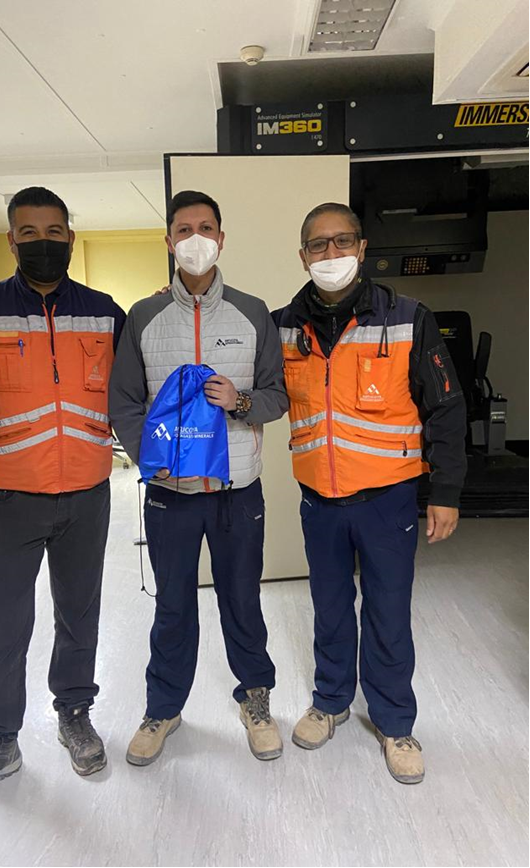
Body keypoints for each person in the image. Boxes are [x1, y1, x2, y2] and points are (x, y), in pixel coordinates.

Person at [0, 186, 126, 811]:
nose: (44, 242)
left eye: (54, 231)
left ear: (70, 237)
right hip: (11, 498)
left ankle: (75, 714)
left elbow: (131, 396)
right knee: (4, 624)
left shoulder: (104, 313)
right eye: (30, 233)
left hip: (89, 495)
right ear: (12, 241)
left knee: (80, 614)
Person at [273, 202, 467, 784]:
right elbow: (242, 370)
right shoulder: (282, 325)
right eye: (318, 244)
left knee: (388, 612)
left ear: (361, 249)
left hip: (388, 500)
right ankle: (331, 701)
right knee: (330, 608)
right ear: (303, 255)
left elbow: (446, 407)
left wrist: (446, 490)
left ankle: (394, 721)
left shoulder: (408, 318)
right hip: (319, 500)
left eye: (341, 242)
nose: (330, 254)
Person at [109, 190, 289, 765]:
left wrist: (240, 402)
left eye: (205, 228)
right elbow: (124, 402)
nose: (195, 239)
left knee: (243, 600)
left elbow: (278, 395)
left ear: (221, 239)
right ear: (169, 242)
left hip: (238, 492)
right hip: (171, 494)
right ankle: (163, 709)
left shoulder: (253, 312)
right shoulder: (144, 316)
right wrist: (149, 457)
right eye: (183, 230)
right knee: (172, 606)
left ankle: (255, 701)